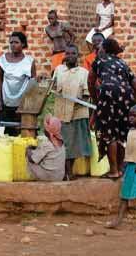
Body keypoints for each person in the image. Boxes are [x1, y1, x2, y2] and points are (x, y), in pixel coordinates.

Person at [88, 39, 136, 179]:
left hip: (107, 96)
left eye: (100, 48)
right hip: (126, 97)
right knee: (120, 134)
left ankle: (113, 171)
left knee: (109, 134)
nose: (98, 50)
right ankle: (120, 169)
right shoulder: (123, 63)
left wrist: (96, 100)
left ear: (105, 50)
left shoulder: (99, 61)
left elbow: (90, 81)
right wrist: (130, 104)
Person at [105, 104, 136, 231]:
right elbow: (129, 151)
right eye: (130, 116)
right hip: (131, 167)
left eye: (135, 116)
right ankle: (118, 221)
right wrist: (124, 165)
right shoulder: (131, 131)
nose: (131, 118)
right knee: (125, 194)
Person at [53, 44, 91, 180]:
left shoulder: (84, 73)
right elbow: (53, 86)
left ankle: (68, 172)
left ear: (78, 56)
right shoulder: (58, 70)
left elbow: (87, 94)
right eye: (67, 53)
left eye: (73, 53)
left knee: (74, 144)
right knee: (63, 143)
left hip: (77, 113)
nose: (69, 56)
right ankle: (66, 172)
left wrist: (78, 100)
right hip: (61, 112)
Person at [0, 32, 36, 139]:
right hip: (6, 102)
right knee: (1, 133)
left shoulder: (29, 61)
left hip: (21, 104)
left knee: (19, 134)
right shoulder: (3, 59)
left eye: (16, 42)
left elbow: (33, 83)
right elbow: (0, 80)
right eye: (11, 42)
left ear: (23, 44)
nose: (13, 45)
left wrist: (29, 104)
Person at [26, 114, 66, 181]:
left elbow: (33, 159)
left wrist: (28, 150)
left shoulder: (46, 144)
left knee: (29, 157)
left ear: (48, 130)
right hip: (59, 176)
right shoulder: (61, 141)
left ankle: (37, 181)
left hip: (50, 177)